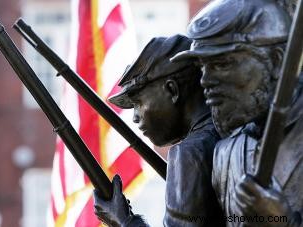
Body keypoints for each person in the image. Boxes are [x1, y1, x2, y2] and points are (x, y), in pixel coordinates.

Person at [172, 0, 302, 226]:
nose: (205, 80)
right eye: (203, 66)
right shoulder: (226, 154)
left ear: (276, 61)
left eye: (221, 64)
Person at [93, 35, 224, 226]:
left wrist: (123, 221)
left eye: (138, 102)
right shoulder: (229, 132)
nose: (135, 117)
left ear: (172, 90)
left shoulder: (190, 153)